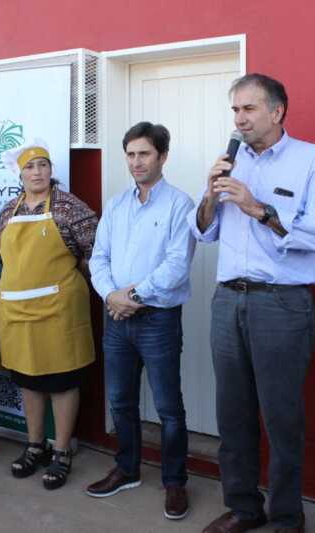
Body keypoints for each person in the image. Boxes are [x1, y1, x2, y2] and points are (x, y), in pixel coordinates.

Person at [189, 73, 315, 533]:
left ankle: (288, 517)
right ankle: (243, 508)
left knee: (281, 416)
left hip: (281, 304)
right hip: (227, 301)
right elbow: (204, 232)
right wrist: (210, 195)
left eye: (249, 108)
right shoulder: (229, 163)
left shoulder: (312, 160)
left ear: (277, 111)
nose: (239, 118)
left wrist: (257, 207)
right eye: (235, 110)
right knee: (232, 414)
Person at [87, 122, 195, 520]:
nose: (136, 161)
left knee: (168, 407)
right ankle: (127, 469)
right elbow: (99, 257)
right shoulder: (116, 205)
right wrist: (111, 296)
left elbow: (176, 266)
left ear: (162, 156)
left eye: (144, 153)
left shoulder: (180, 204)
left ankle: (175, 481)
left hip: (158, 321)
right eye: (130, 154)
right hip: (116, 319)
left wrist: (131, 297)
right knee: (120, 400)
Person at [0, 139, 98, 490]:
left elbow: (95, 254)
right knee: (28, 380)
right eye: (30, 167)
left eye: (43, 165)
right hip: (17, 310)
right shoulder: (7, 212)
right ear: (20, 174)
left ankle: (62, 451)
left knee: (61, 381)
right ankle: (35, 445)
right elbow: (3, 258)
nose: (37, 172)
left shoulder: (71, 208)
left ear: (51, 170)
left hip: (59, 312)